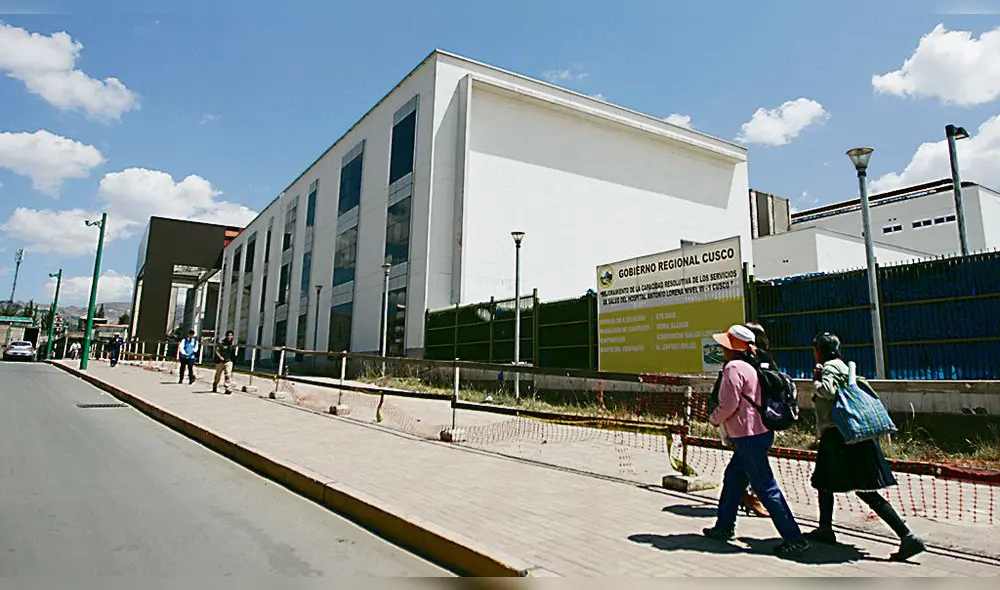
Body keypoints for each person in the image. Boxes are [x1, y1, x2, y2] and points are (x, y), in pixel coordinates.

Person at [806, 332, 926, 561]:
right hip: (856, 434)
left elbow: (828, 391)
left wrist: (816, 381)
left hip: (838, 436)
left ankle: (907, 537)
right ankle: (825, 528)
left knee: (848, 486)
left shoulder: (828, 368)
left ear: (819, 351)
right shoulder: (845, 366)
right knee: (835, 484)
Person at [703, 324, 808, 556]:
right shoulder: (751, 365)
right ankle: (724, 527)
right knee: (732, 480)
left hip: (747, 435)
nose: (722, 349)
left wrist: (714, 419)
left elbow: (729, 404)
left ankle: (794, 537)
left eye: (725, 345)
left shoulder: (733, 368)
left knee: (766, 487)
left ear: (733, 348)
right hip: (759, 432)